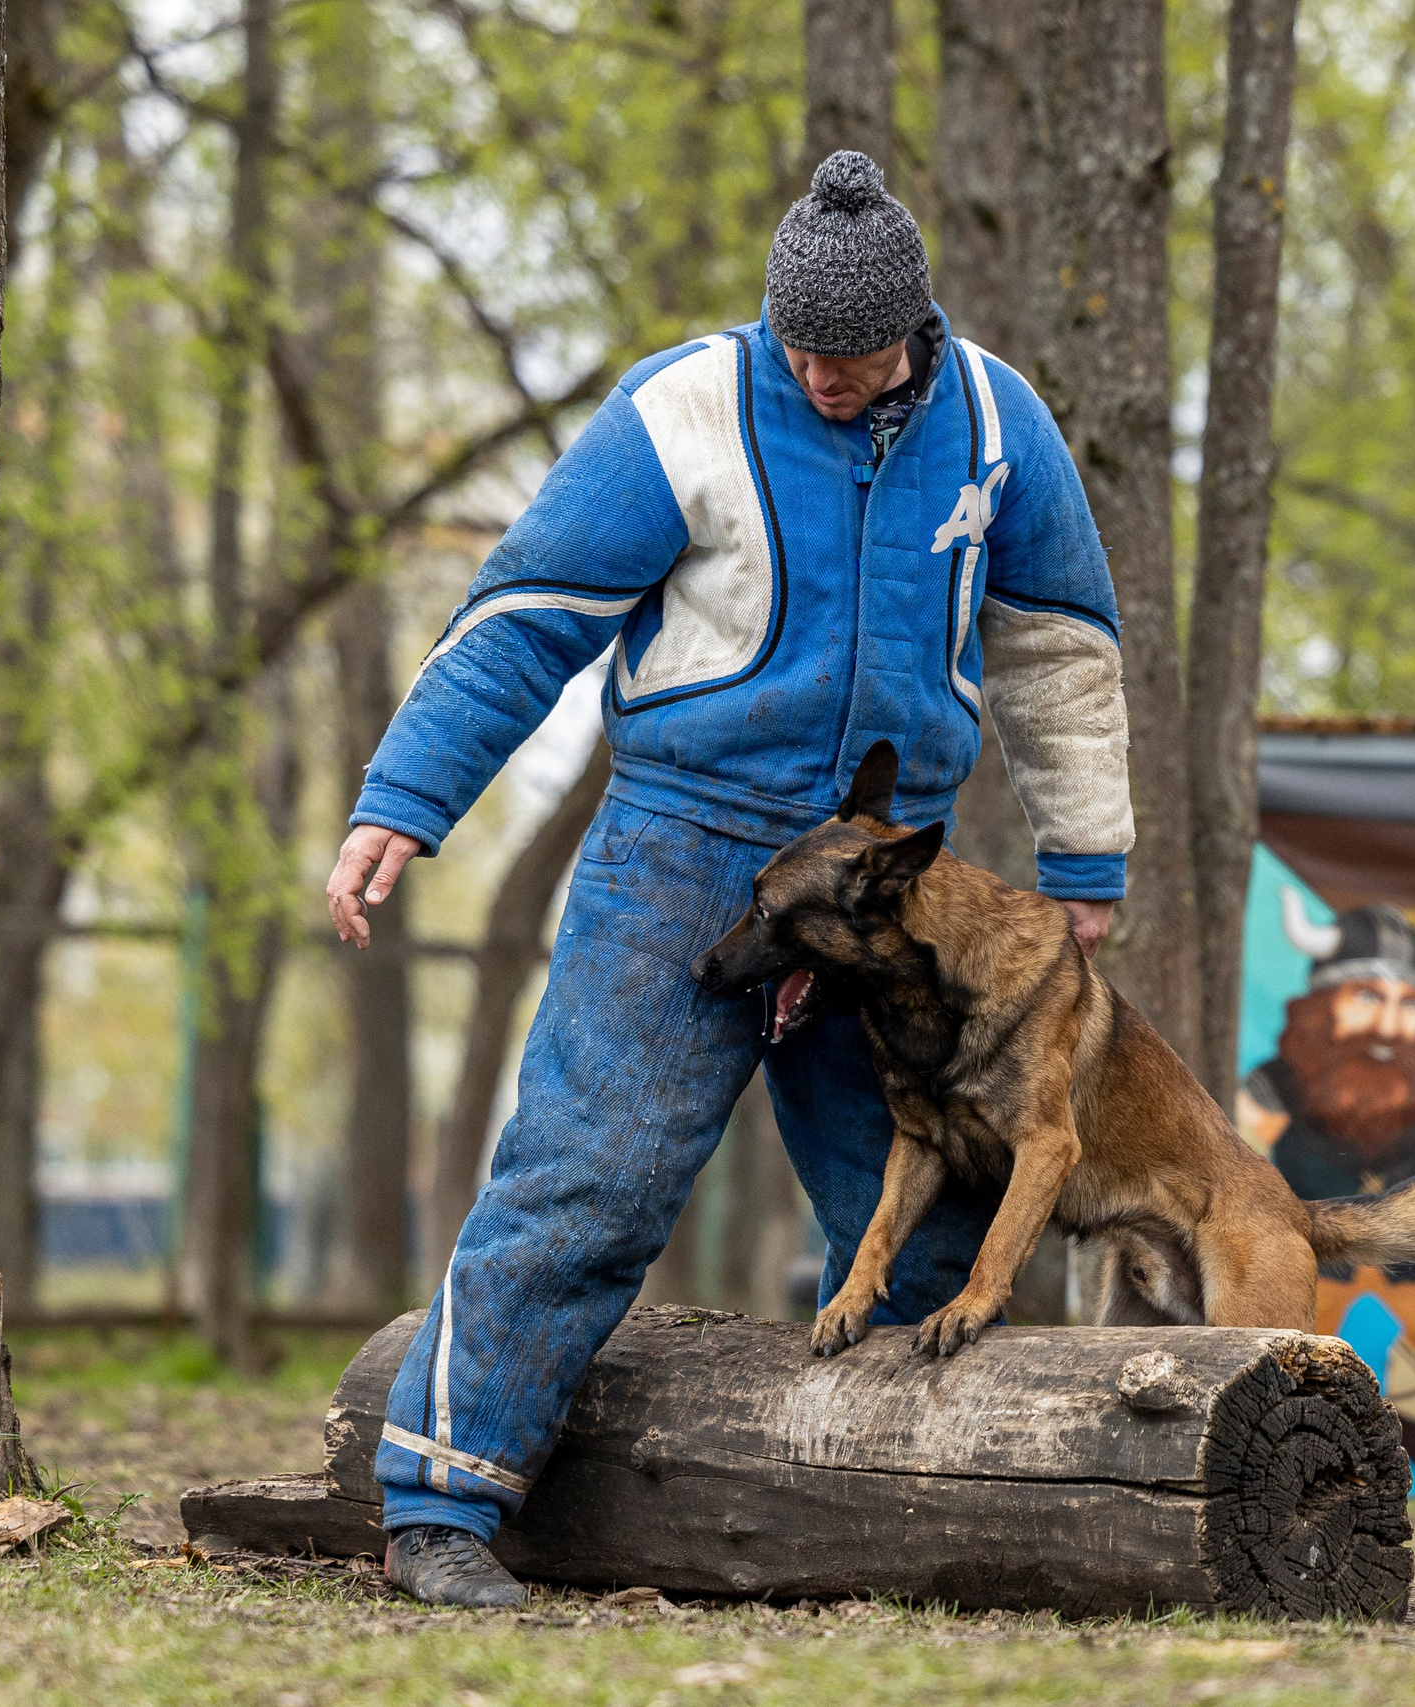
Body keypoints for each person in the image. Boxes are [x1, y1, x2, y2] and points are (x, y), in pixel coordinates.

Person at [324, 150, 1134, 1607]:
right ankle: (441, 1502)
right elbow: (520, 616)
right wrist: (405, 800)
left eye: (857, 355)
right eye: (804, 351)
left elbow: (1058, 645)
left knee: (945, 1191)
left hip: (898, 877)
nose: (827, 378)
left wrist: (1083, 857)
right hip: (690, 846)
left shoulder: (1002, 422)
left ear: (916, 329)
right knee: (593, 1169)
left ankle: (959, 1520)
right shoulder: (679, 406)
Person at [1235, 898, 1415, 1473]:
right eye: (1367, 997)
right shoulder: (1276, 1084)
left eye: (1409, 1004)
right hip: (1315, 1246)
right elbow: (1240, 1158)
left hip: (1409, 1246)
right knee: (1297, 1345)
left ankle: (1412, 1427)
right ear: (1321, 1004)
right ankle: (1292, 1434)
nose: (1388, 1025)